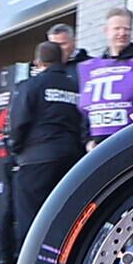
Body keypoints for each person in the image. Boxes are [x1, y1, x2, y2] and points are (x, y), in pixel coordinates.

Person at [8, 42, 85, 249]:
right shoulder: (76, 86)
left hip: (36, 159)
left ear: (38, 62)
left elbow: (18, 122)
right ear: (61, 60)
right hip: (71, 159)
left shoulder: (31, 85)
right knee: (63, 219)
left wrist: (15, 148)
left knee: (31, 220)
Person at [78, 7, 133, 148]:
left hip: (131, 141)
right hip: (97, 146)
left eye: (127, 29)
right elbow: (84, 108)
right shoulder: (90, 67)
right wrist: (87, 140)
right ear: (106, 31)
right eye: (117, 29)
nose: (122, 33)